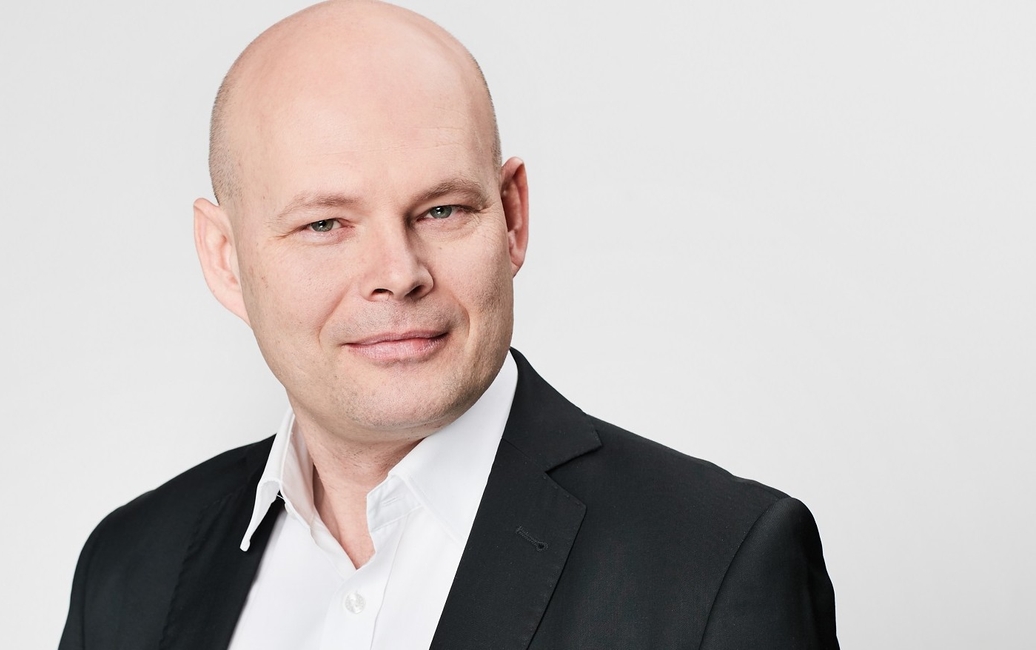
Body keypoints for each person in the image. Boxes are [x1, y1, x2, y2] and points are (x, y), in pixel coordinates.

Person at [58, 1, 839, 648]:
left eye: (442, 210)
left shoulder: (719, 564)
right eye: (326, 224)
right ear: (225, 258)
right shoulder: (129, 567)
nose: (398, 272)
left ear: (513, 217)